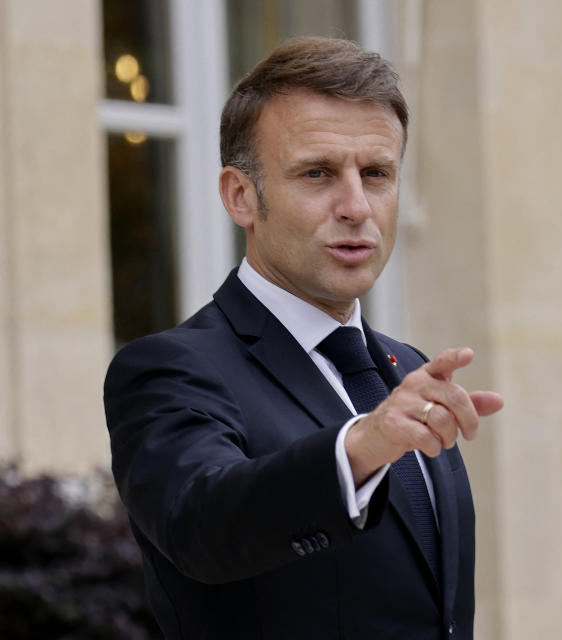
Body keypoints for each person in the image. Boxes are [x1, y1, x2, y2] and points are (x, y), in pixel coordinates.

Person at [104, 36, 502, 639]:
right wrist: (359, 447)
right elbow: (202, 525)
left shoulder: (407, 369)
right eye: (317, 173)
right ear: (241, 196)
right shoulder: (169, 369)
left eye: (376, 174)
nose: (356, 206)